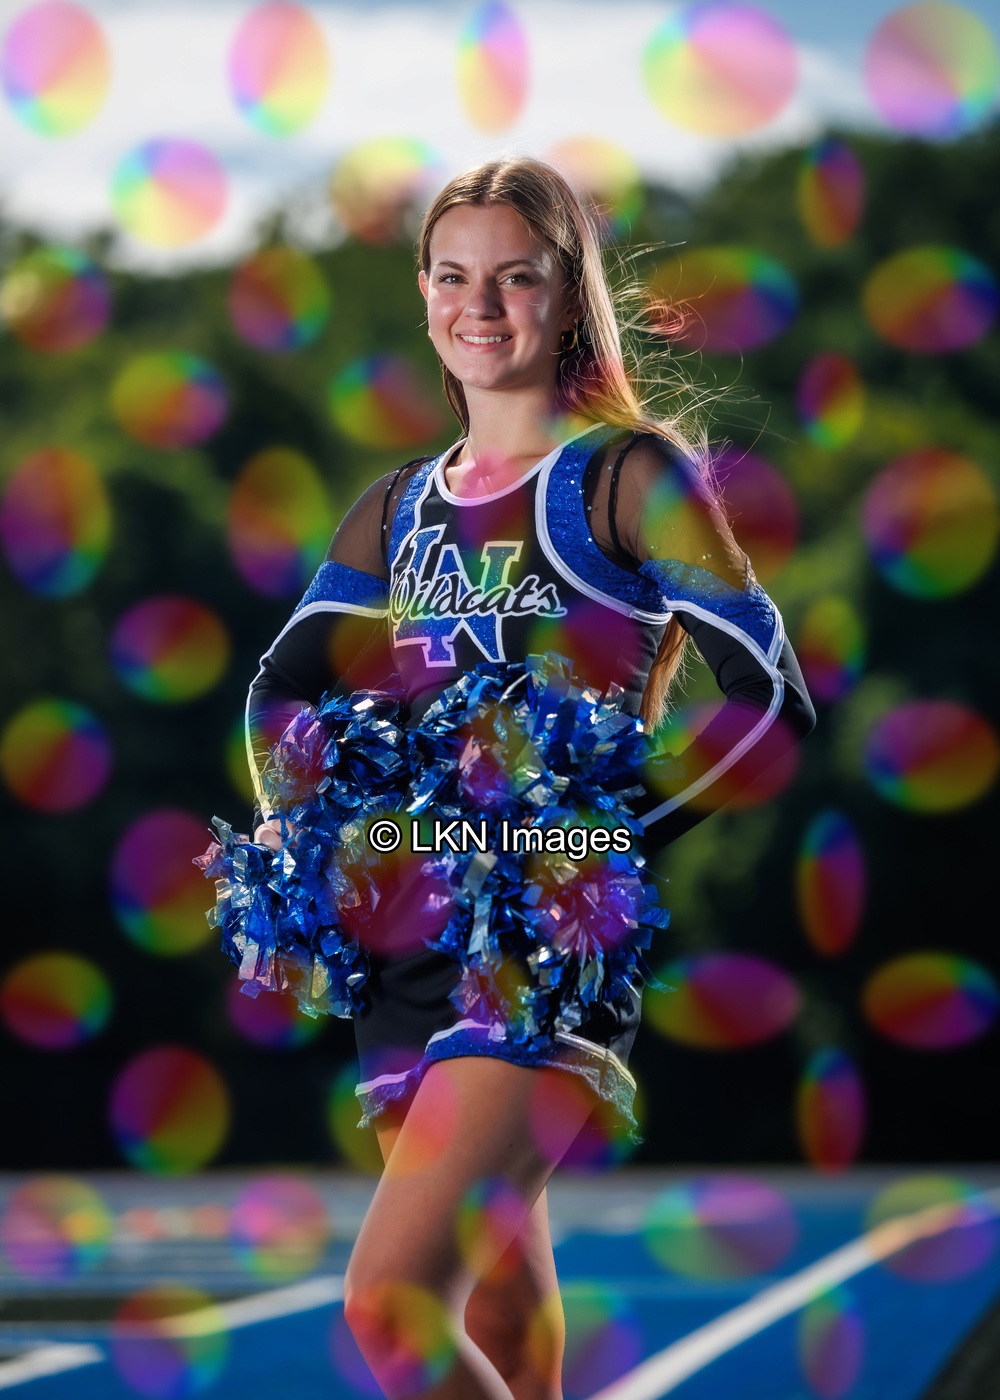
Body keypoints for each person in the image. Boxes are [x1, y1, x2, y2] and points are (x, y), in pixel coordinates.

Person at [213, 157, 816, 1398]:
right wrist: (301, 837)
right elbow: (278, 689)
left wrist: (595, 840)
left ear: (567, 294)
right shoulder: (397, 507)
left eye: (515, 277)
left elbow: (770, 700)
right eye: (451, 276)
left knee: (391, 1306)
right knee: (507, 1334)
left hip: (539, 949)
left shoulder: (623, 477)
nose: (478, 304)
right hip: (401, 952)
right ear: (423, 293)